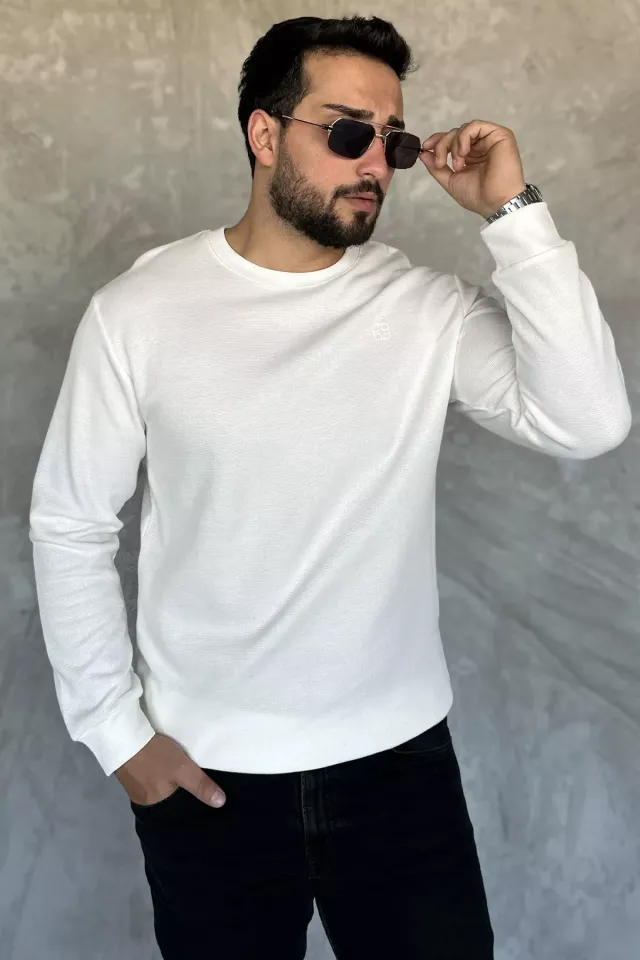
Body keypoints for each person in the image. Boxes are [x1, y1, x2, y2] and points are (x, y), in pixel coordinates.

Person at [29, 14, 631, 960]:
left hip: (400, 771)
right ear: (264, 134)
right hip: (208, 779)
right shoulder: (139, 313)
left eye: (393, 141)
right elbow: (71, 523)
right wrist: (117, 737)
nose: (376, 164)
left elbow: (587, 420)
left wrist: (514, 215)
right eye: (349, 131)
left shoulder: (421, 309)